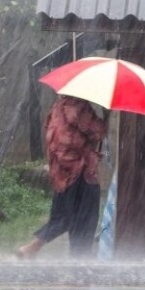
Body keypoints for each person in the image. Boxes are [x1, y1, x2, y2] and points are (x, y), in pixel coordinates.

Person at [17, 96, 108, 258]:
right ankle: (77, 265)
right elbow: (97, 132)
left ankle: (32, 248)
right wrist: (106, 116)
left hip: (61, 172)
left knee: (62, 217)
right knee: (85, 221)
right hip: (80, 173)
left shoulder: (58, 107)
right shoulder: (80, 108)